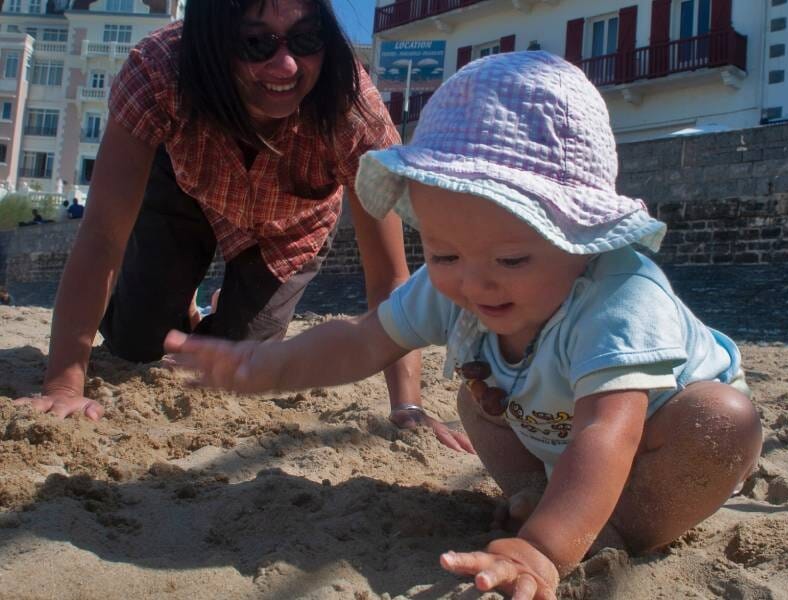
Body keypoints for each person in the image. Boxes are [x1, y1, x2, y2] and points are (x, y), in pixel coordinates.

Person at [164, 52, 762, 599]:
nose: (475, 283)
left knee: (724, 421)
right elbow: (362, 339)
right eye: (444, 254)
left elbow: (609, 431)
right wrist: (266, 364)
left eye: (512, 260)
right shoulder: (458, 283)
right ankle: (535, 493)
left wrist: (542, 551)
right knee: (478, 400)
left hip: (660, 444)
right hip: (549, 429)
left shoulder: (621, 297)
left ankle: (616, 526)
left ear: (582, 239)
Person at [16, 0, 471, 452]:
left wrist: (407, 406)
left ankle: (219, 308)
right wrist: (63, 384)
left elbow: (390, 278)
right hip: (185, 189)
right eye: (256, 43)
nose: (286, 65)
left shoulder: (352, 109)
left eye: (306, 38)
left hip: (289, 231)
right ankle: (181, 305)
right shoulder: (158, 71)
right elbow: (100, 236)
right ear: (210, 46)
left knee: (236, 366)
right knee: (136, 344)